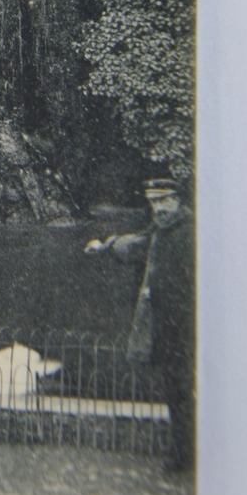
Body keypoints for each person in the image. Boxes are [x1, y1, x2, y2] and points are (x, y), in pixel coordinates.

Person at [85, 177, 195, 472]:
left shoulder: (190, 233)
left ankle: (190, 455)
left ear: (176, 200)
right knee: (176, 389)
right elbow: (137, 245)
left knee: (187, 388)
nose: (158, 208)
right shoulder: (162, 228)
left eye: (163, 201)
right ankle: (183, 454)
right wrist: (107, 246)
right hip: (168, 325)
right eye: (154, 203)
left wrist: (156, 290)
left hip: (189, 326)